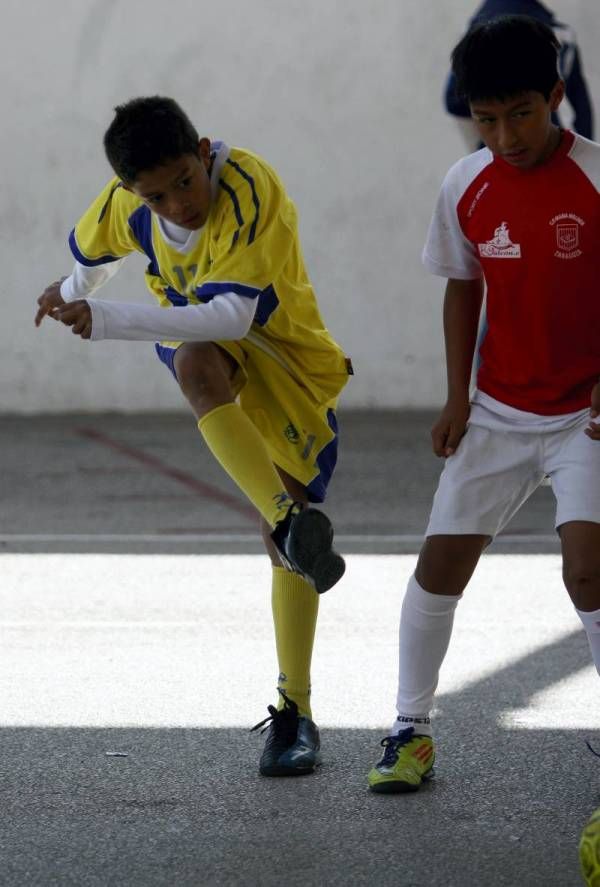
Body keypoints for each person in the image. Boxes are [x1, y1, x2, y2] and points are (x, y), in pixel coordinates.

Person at [35, 96, 352, 778]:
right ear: (131, 193)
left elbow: (235, 315)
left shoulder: (250, 188)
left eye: (185, 180)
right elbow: (93, 257)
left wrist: (106, 318)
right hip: (206, 341)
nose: (179, 203)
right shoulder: (130, 205)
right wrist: (63, 290)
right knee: (194, 364)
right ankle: (293, 710)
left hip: (288, 353)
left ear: (203, 150)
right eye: (157, 194)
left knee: (285, 539)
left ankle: (295, 663)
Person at [368, 15, 600, 794]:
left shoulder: (597, 178)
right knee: (438, 570)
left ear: (558, 98)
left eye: (521, 114)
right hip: (496, 409)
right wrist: (454, 396)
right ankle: (410, 729)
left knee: (588, 570)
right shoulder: (465, 184)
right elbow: (463, 285)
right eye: (486, 118)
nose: (503, 135)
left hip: (584, 418)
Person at [444, 1, 594, 152]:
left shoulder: (475, 31)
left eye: (521, 114)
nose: (507, 140)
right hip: (551, 154)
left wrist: (479, 151)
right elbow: (578, 107)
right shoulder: (556, 34)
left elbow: (453, 100)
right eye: (487, 119)